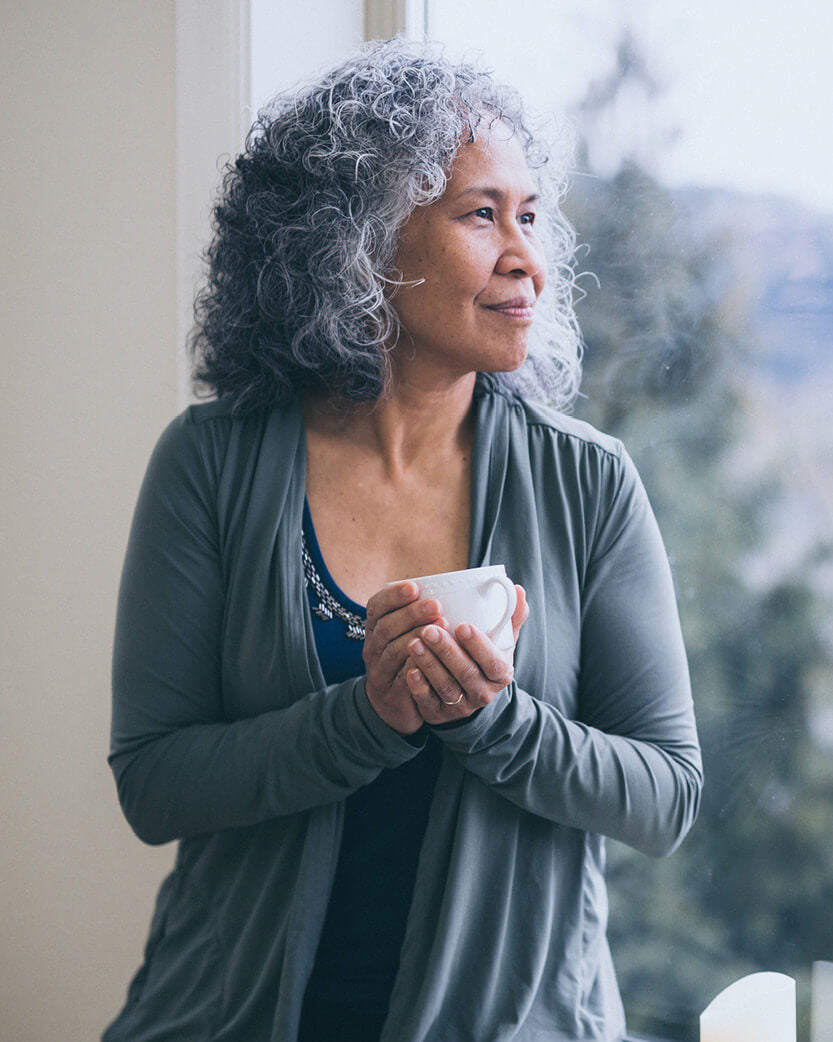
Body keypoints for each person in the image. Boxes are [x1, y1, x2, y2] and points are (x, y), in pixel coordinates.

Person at [104, 38, 702, 1042]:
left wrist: (491, 720)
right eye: (480, 215)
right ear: (359, 241)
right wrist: (364, 719)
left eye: (528, 216)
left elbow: (663, 794)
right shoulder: (207, 464)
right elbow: (154, 783)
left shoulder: (588, 481)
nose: (528, 258)